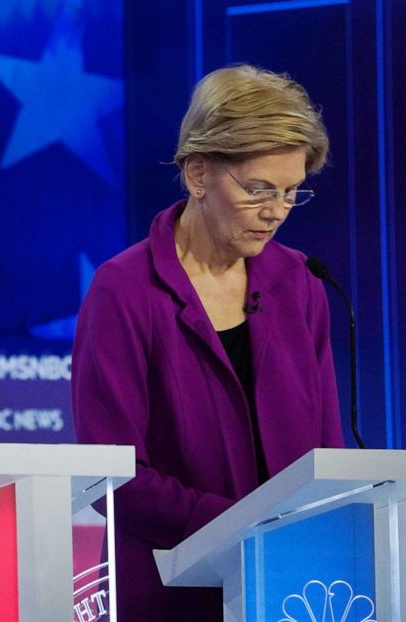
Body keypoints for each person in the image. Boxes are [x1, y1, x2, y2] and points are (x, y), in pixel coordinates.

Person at [71, 64, 345, 620]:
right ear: (198, 174)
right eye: (257, 189)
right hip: (168, 592)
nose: (275, 212)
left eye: (292, 193)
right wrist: (248, 526)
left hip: (291, 589)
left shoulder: (301, 282)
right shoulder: (124, 290)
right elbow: (113, 478)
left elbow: (326, 454)